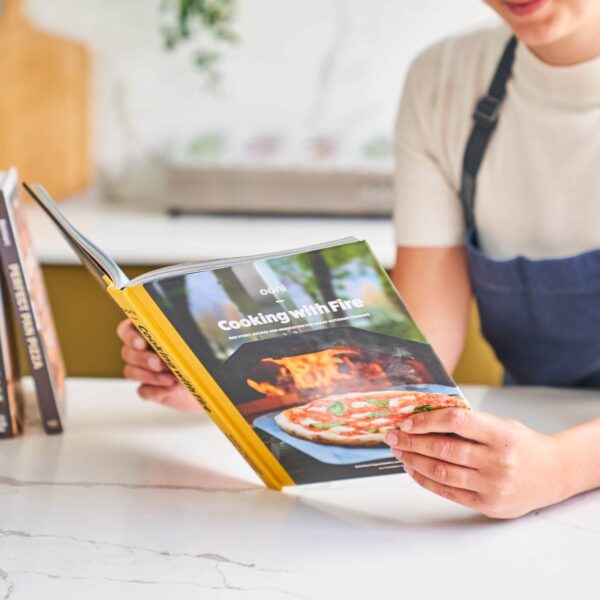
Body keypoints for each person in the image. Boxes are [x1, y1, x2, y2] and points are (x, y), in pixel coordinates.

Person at [117, 0, 600, 518]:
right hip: (523, 451)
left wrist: (563, 467)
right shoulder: (446, 80)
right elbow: (421, 343)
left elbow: (555, 468)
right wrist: (227, 384)